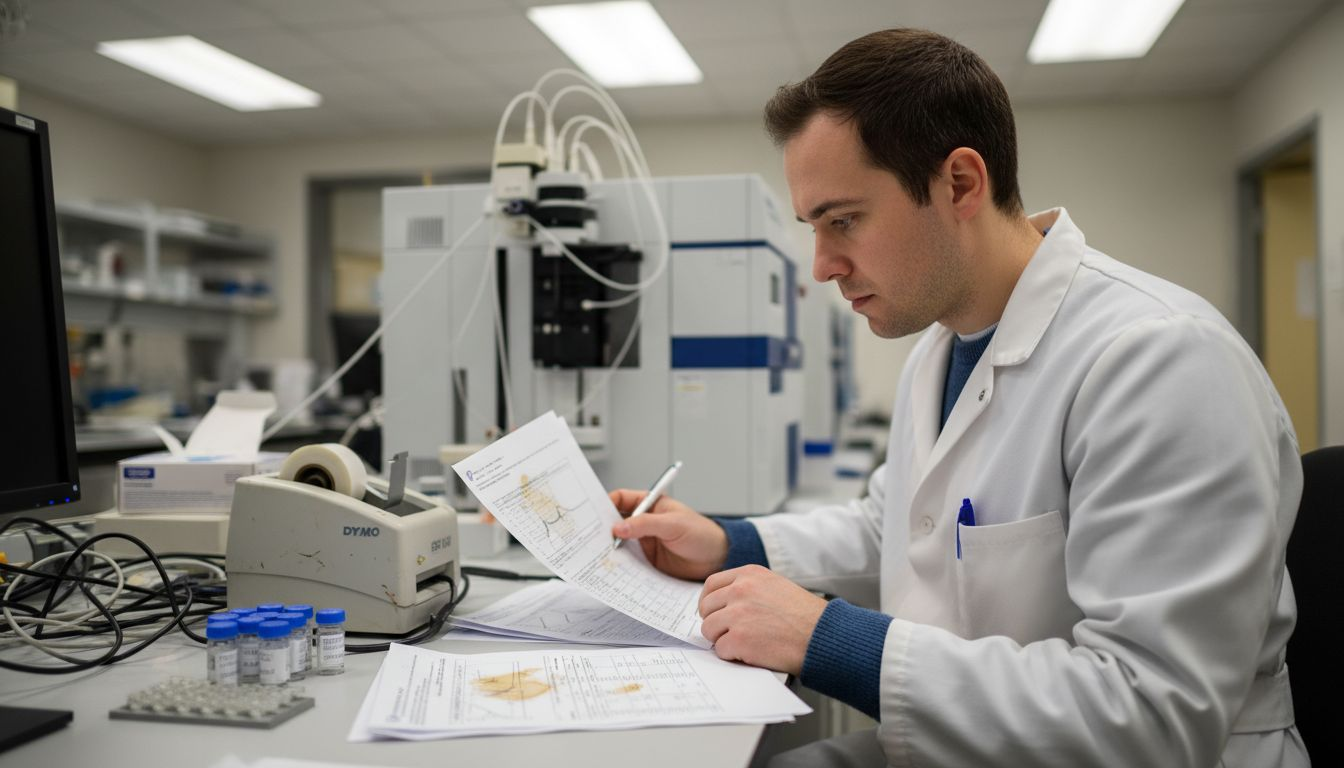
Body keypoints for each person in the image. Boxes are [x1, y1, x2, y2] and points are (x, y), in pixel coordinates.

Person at [609, 28, 1306, 768]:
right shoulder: (942, 347)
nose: (822, 266)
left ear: (962, 184)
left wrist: (827, 638)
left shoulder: (1159, 360)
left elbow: (1151, 713)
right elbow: (898, 525)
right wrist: (729, 544)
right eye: (813, 228)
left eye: (844, 220)